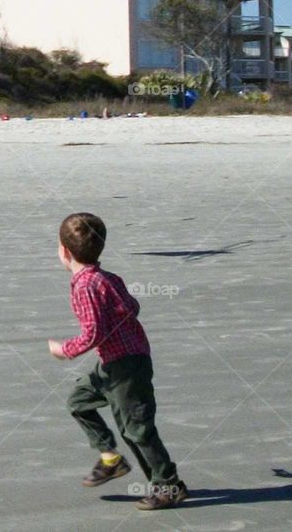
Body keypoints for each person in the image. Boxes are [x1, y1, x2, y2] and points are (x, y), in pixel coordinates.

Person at [48, 212, 187, 511]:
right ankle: (111, 459)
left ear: (64, 251)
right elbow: (133, 307)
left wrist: (65, 350)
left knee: (137, 430)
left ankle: (168, 485)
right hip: (116, 362)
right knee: (78, 402)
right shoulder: (108, 278)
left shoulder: (85, 286)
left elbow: (93, 333)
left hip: (127, 367)